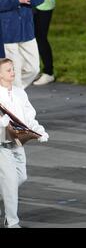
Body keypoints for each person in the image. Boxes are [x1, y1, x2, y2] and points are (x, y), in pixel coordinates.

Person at [0, 58, 49, 228]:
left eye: (13, 69)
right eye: (8, 70)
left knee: (21, 177)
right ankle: (11, 221)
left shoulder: (20, 93)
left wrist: (39, 131)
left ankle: (5, 196)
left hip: (17, 143)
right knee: (11, 183)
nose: (13, 72)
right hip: (1, 146)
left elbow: (29, 117)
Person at [32, 0, 56, 85]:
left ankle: (48, 72)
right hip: (29, 0)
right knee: (31, 39)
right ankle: (34, 70)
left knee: (40, 38)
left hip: (44, 2)